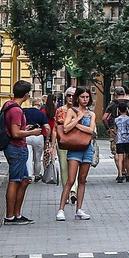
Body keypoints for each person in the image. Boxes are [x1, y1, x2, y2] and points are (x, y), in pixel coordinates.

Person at [2, 80, 43, 224]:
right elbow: (15, 133)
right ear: (26, 95)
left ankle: (16, 214)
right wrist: (32, 132)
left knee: (24, 179)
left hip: (16, 147)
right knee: (15, 180)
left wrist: (25, 129)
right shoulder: (16, 110)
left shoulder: (8, 105)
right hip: (16, 147)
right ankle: (10, 215)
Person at [58, 87, 97, 220]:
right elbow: (66, 128)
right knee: (70, 179)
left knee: (82, 179)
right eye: (82, 97)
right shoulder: (71, 111)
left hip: (87, 148)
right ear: (77, 98)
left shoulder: (91, 114)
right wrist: (78, 119)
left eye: (87, 97)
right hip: (74, 147)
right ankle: (61, 209)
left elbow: (91, 130)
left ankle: (79, 209)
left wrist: (77, 125)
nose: (85, 100)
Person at [24, 96, 50, 182]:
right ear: (40, 105)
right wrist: (47, 139)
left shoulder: (25, 111)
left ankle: (29, 175)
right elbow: (47, 127)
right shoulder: (41, 114)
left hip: (27, 135)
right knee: (37, 158)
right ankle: (37, 175)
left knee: (28, 157)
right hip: (38, 137)